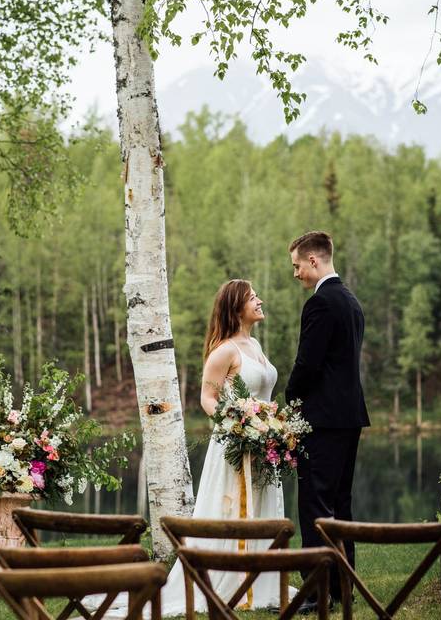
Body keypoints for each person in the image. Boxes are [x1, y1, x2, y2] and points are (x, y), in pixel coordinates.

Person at [95, 279, 287, 617]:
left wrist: (271, 426)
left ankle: (262, 582)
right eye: (252, 297)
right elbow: (207, 398)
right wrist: (237, 423)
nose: (259, 300)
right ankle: (232, 583)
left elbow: (263, 396)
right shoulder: (225, 350)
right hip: (236, 443)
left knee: (262, 505)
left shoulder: (255, 344)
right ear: (235, 307)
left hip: (263, 445)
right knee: (233, 511)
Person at [286, 231, 369, 610]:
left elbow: (309, 364)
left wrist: (290, 399)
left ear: (314, 261)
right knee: (340, 505)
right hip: (349, 417)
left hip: (321, 419)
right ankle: (343, 585)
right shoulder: (351, 302)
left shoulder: (320, 304)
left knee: (315, 505)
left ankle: (318, 592)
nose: (296, 274)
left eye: (297, 266)